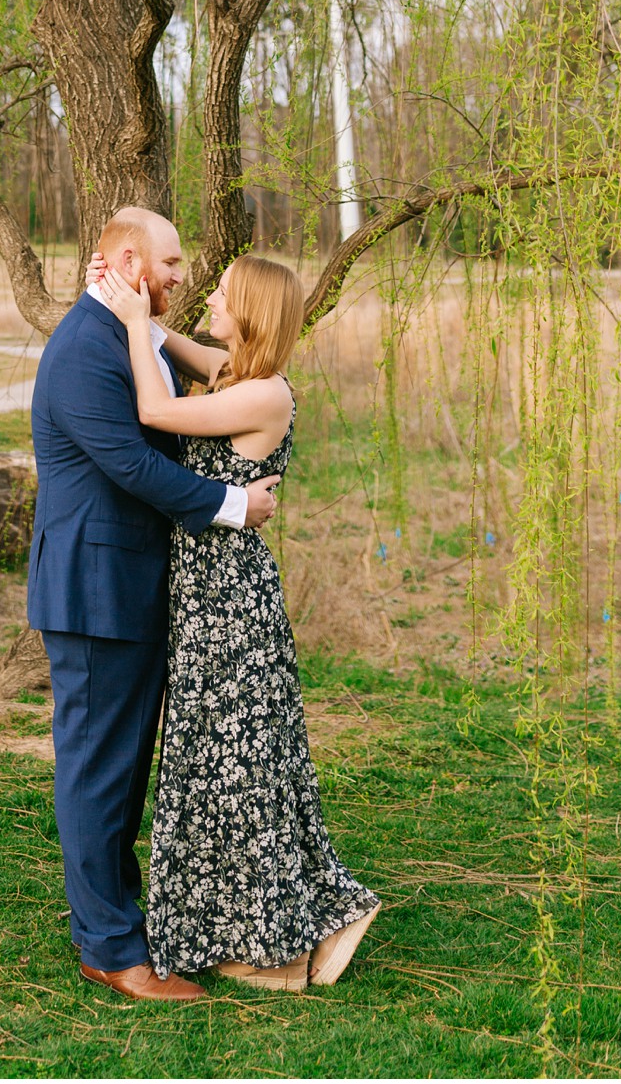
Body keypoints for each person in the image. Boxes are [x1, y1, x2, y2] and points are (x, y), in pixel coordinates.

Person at [91, 248, 380, 993]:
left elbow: (155, 408)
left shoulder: (264, 395)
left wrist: (132, 317)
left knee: (242, 770)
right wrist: (132, 301)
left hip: (232, 602)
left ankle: (283, 949)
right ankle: (250, 932)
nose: (209, 298)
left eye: (220, 293)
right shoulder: (231, 373)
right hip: (203, 595)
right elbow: (167, 344)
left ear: (250, 311)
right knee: (216, 767)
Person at [26, 207, 282, 1003]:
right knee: (100, 771)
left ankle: (110, 917)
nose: (181, 274)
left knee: (122, 770)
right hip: (94, 593)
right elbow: (136, 466)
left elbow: (198, 383)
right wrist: (236, 505)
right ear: (132, 262)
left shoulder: (124, 334)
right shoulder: (81, 351)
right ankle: (110, 948)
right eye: (171, 261)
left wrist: (154, 328)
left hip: (130, 588)